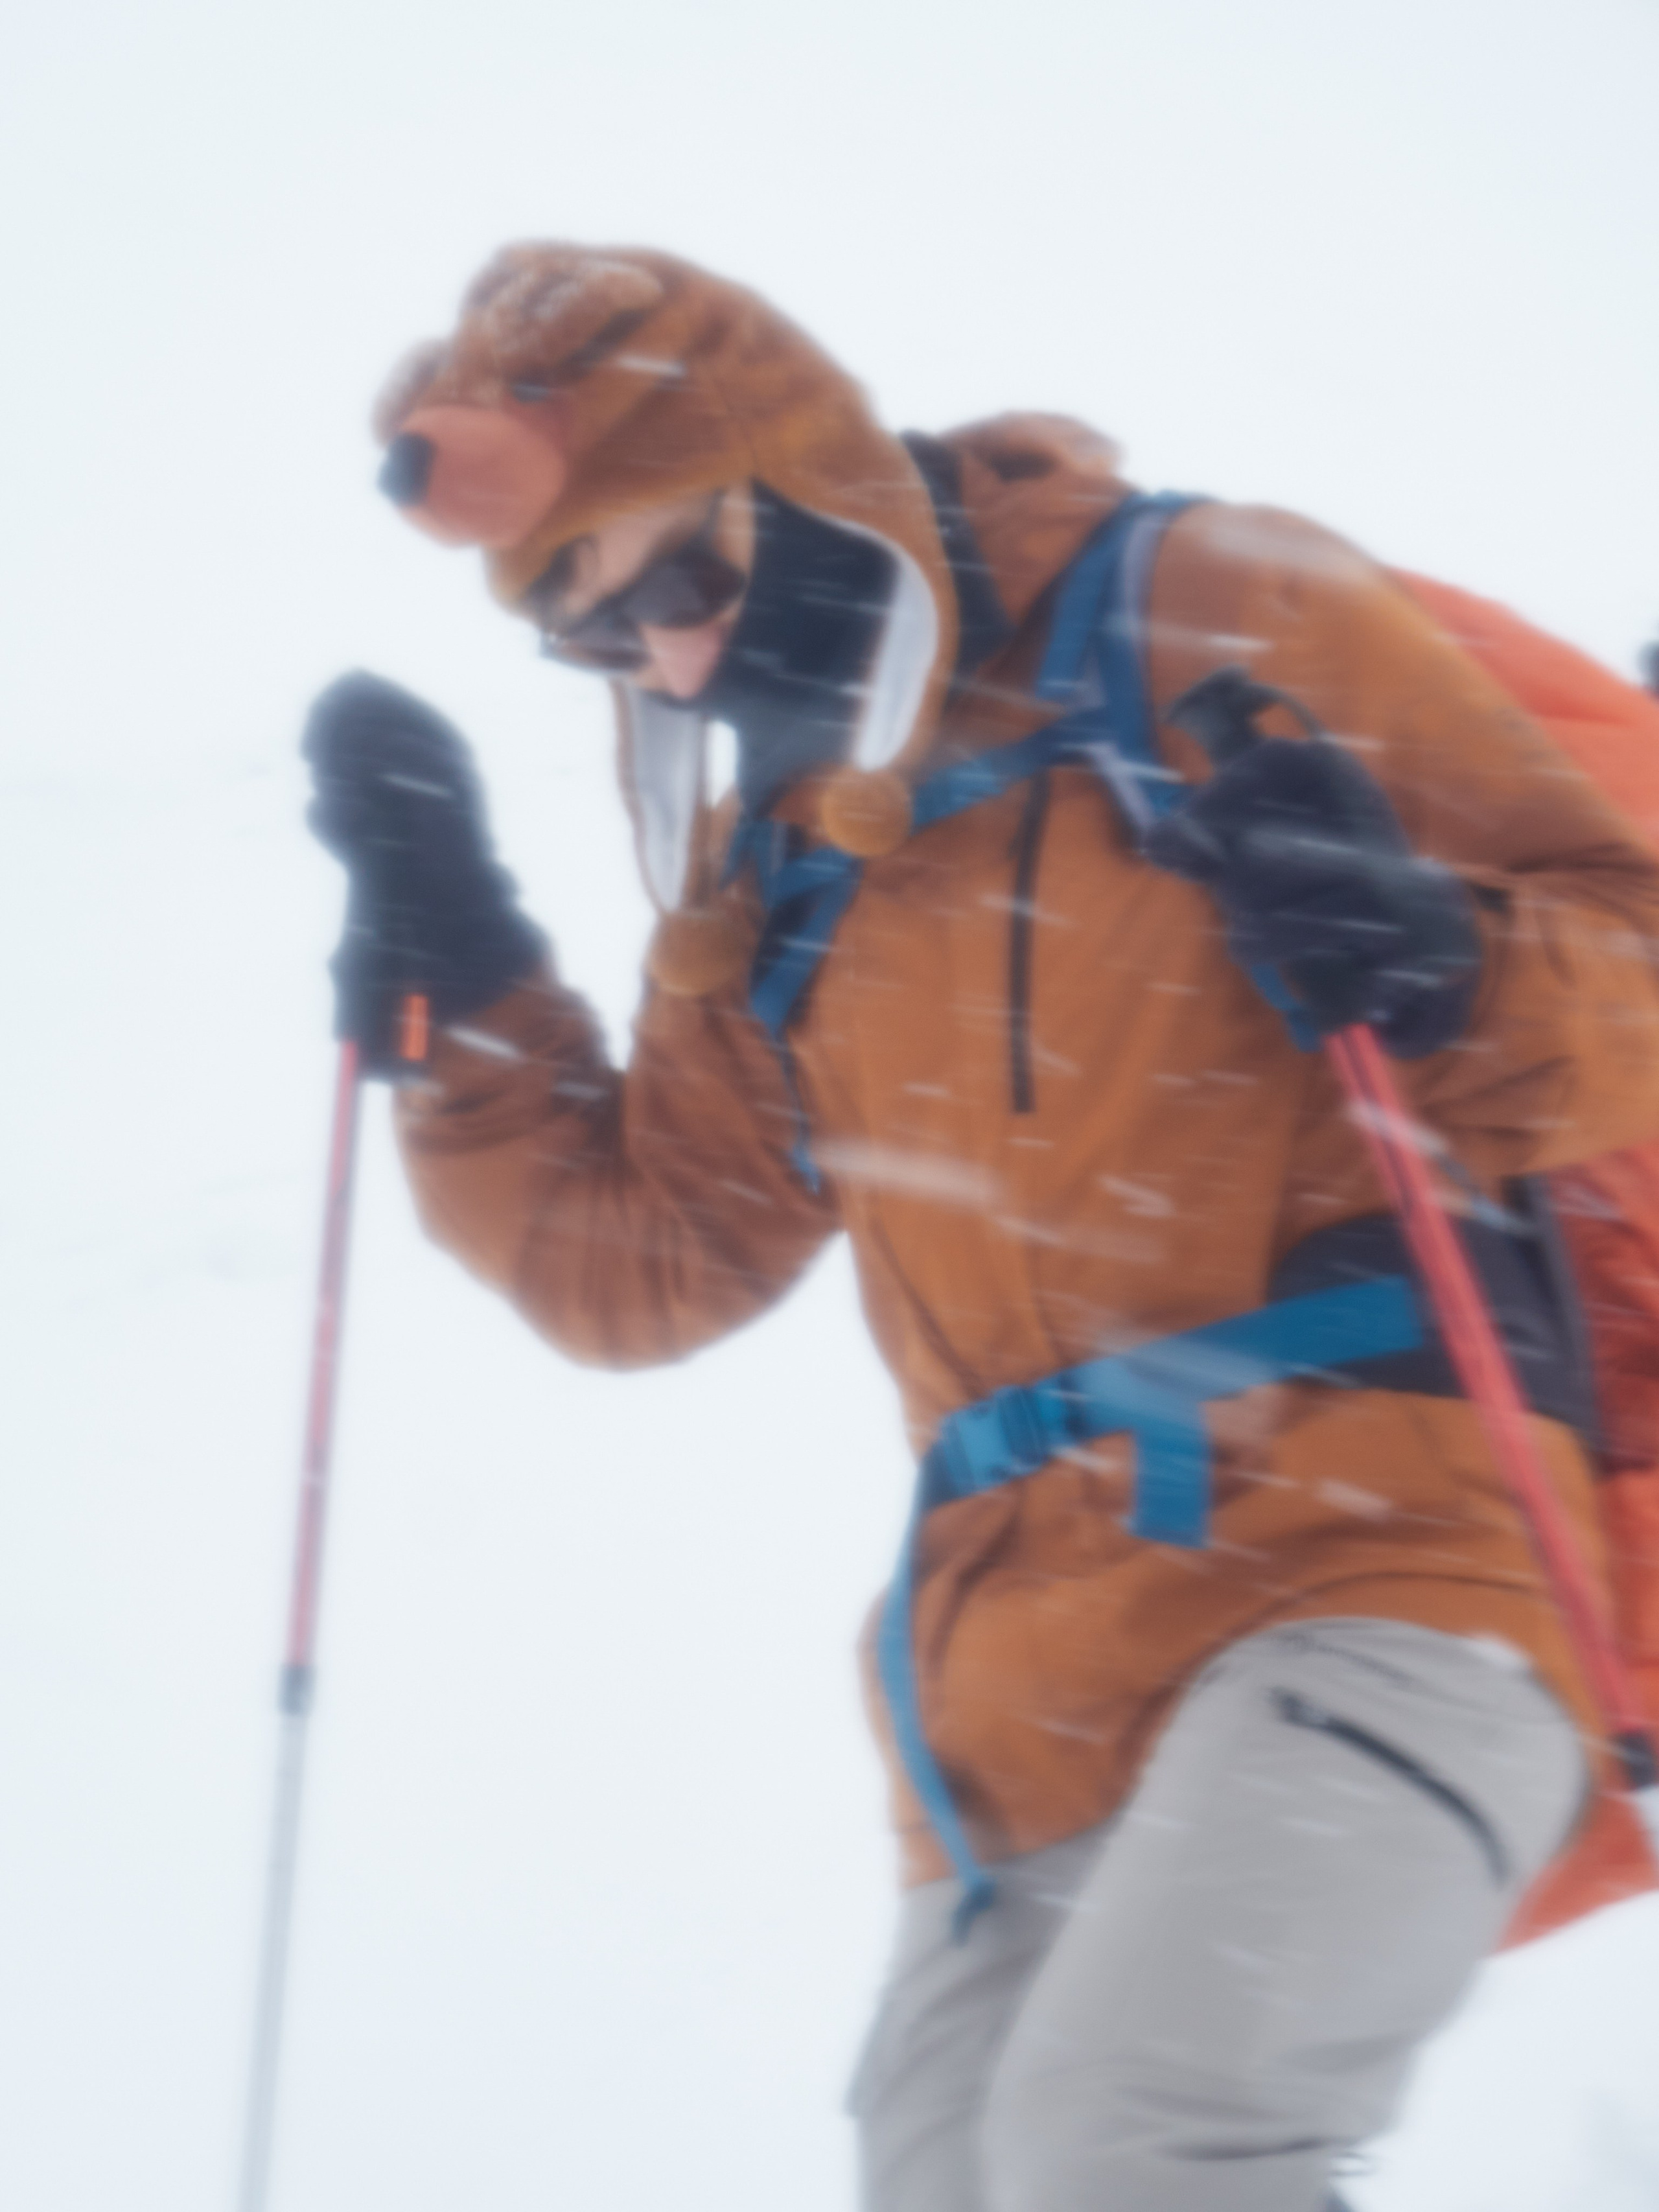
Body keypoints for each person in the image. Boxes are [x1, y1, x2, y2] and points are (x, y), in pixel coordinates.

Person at [304, 242, 1659, 2212]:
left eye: (679, 582)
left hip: (1383, 1570)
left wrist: (1442, 966)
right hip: (1012, 1705)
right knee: (962, 2180)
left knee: (1135, 2148)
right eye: (601, 643)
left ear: (793, 472)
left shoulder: (1209, 603)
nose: (673, 666)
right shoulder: (770, 857)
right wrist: (468, 980)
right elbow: (649, 1262)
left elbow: (1632, 954)